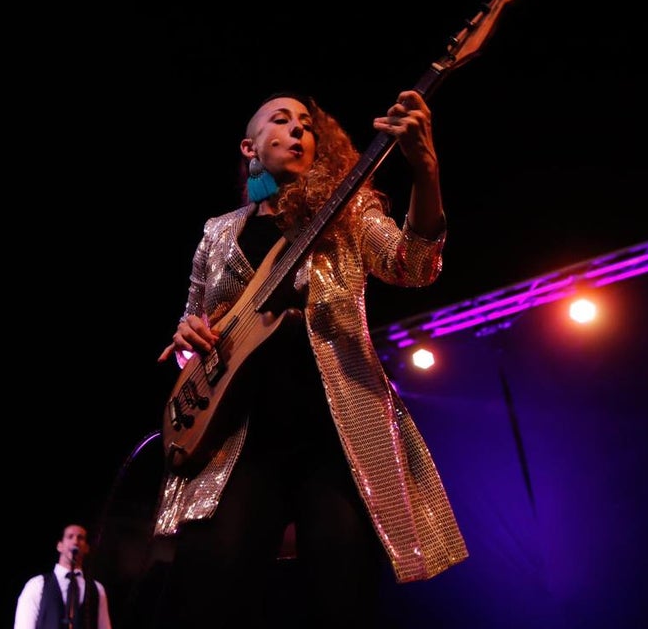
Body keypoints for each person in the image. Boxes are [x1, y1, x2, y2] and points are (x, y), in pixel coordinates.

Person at [150, 90, 469, 628]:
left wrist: (425, 169)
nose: (299, 129)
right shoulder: (217, 232)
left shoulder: (348, 210)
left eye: (306, 123)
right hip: (236, 442)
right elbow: (191, 344)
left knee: (341, 598)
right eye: (282, 120)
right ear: (250, 147)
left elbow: (414, 265)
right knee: (209, 595)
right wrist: (188, 337)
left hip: (335, 437)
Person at [14, 522, 113, 629]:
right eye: (70, 537)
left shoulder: (97, 589)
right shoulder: (37, 585)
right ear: (59, 546)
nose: (75, 541)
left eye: (80, 538)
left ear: (86, 548)